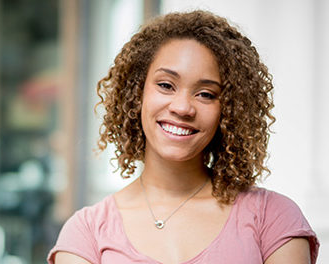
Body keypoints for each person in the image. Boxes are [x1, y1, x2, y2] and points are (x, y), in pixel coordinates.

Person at [47, 10, 319, 264]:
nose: (183, 108)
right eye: (166, 85)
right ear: (137, 93)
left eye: (206, 94)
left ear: (229, 110)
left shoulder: (273, 219)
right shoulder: (86, 234)